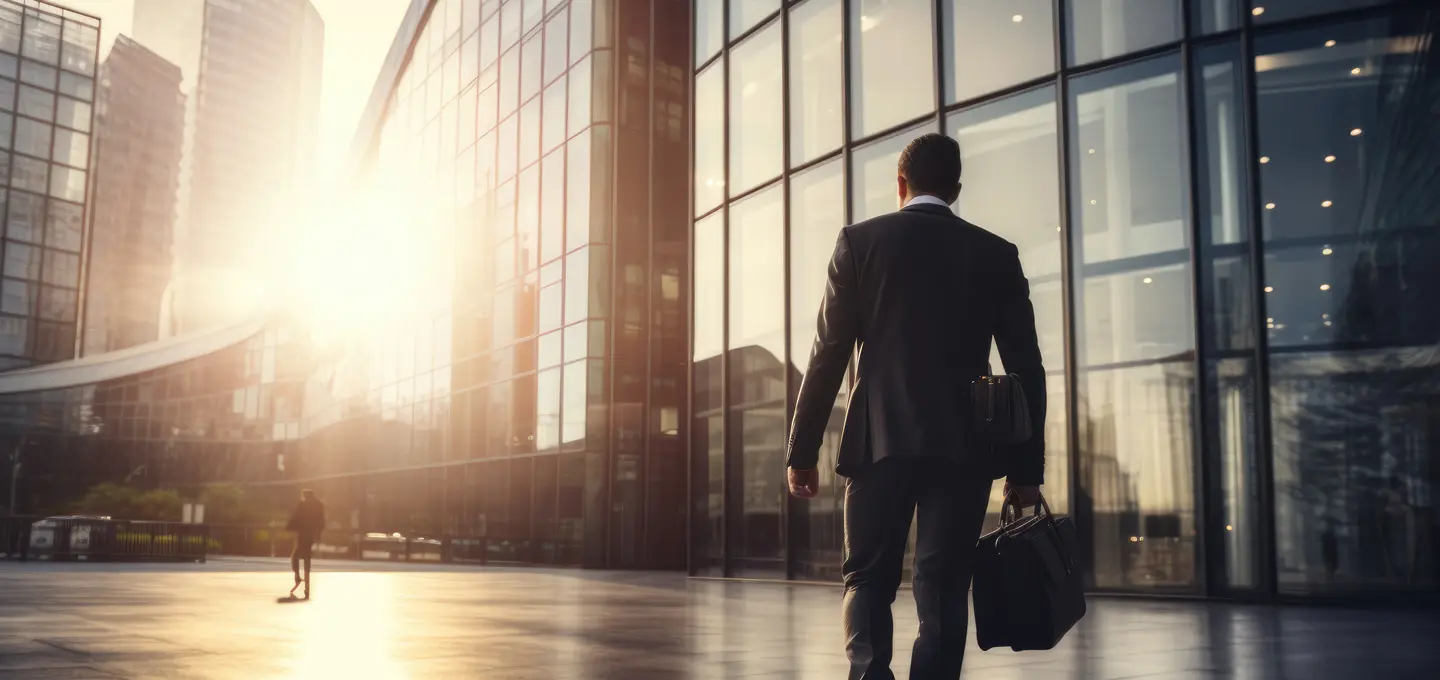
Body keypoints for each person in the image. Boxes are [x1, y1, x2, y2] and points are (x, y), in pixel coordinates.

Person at [786, 133, 1046, 680]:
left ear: (900, 185)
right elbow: (1026, 369)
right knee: (944, 585)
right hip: (966, 449)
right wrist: (1025, 471)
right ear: (955, 189)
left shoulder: (860, 243)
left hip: (878, 443)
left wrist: (801, 450)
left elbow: (828, 354)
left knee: (867, 580)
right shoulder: (996, 254)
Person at [285, 489, 326, 599]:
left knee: (295, 556)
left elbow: (296, 518)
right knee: (307, 555)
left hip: (302, 535)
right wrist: (318, 534)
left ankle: (298, 576)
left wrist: (288, 526)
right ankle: (307, 577)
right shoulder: (319, 505)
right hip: (311, 535)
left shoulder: (302, 505)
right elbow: (322, 521)